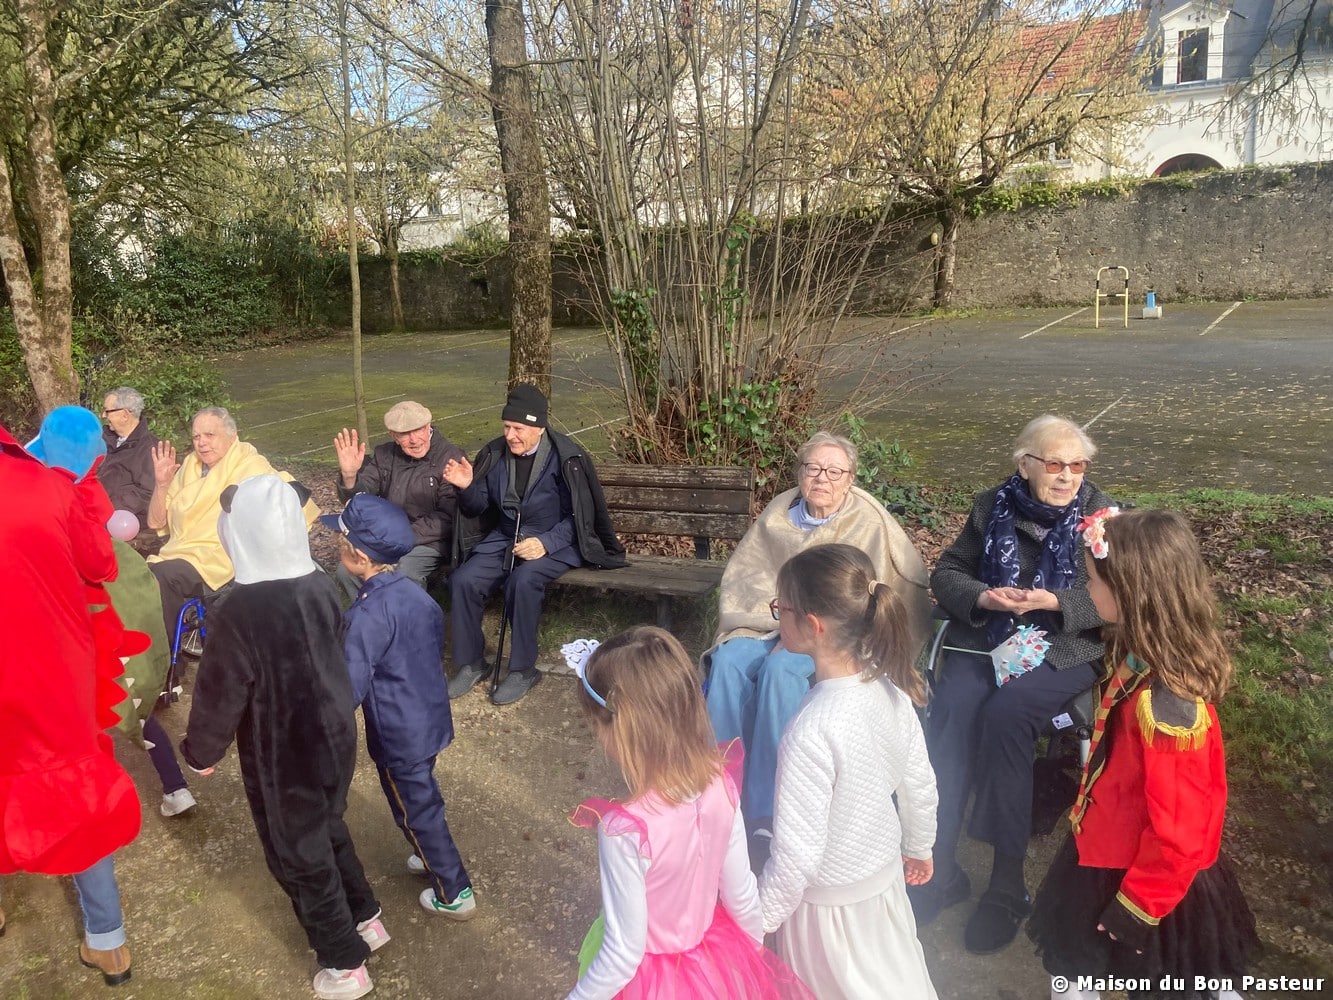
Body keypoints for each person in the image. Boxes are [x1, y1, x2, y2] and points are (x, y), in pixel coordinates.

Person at [1027, 508, 1257, 1000]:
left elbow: (1182, 828)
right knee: (1080, 973)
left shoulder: (1167, 702)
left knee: (1172, 981)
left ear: (1132, 592)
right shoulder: (1142, 658)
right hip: (1110, 844)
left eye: (1093, 581)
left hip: (1147, 879)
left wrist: (1138, 906)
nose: (1087, 590)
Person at [913, 414, 1113, 955]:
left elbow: (1123, 598)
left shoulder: (1103, 518)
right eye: (1055, 464)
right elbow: (948, 573)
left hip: (1063, 647)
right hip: (988, 640)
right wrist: (982, 596)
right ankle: (940, 868)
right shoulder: (991, 505)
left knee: (1007, 714)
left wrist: (1056, 602)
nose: (1067, 476)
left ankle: (1006, 885)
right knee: (954, 708)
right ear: (1025, 465)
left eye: (1077, 465)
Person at [181, 475, 385, 1000]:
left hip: (283, 752)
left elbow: (221, 688)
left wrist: (202, 751)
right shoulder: (319, 584)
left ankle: (344, 962)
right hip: (335, 734)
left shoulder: (238, 610)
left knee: (299, 853)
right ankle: (365, 916)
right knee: (328, 823)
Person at [703, 431, 930, 854]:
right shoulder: (778, 514)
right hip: (768, 616)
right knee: (730, 659)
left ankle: (769, 810)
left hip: (832, 632)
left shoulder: (866, 521)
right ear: (800, 472)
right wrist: (781, 624)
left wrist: (797, 633)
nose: (822, 478)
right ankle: (716, 787)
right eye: (813, 468)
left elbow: (864, 597)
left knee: (781, 668)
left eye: (834, 471)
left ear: (850, 478)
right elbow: (749, 575)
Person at [565, 626, 814, 999]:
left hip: (650, 985)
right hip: (712, 966)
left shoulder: (625, 830)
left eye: (596, 726)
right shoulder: (721, 786)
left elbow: (622, 954)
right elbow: (742, 896)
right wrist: (750, 967)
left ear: (622, 728)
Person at [758, 543, 939, 998]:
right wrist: (920, 845)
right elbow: (918, 780)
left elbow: (796, 856)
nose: (777, 617)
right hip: (882, 879)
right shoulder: (888, 686)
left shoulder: (810, 729)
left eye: (781, 608)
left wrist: (758, 922)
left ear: (812, 626)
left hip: (826, 912)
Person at [0, 418, 141, 986]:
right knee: (76, 782)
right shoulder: (48, 484)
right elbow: (101, 564)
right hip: (55, 667)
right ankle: (108, 941)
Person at [323, 493, 477, 921]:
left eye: (340, 543)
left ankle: (454, 891)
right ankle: (427, 852)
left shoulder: (366, 616)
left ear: (358, 557)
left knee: (415, 809)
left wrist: (322, 720)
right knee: (421, 797)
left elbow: (349, 687)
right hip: (428, 717)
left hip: (397, 732)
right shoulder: (415, 594)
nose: (336, 549)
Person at [444, 384, 625, 706]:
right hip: (505, 537)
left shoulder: (567, 458)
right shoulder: (493, 453)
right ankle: (472, 662)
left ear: (539, 427)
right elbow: (479, 507)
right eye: (506, 427)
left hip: (557, 541)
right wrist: (467, 487)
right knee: (463, 580)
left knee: (523, 580)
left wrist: (546, 542)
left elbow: (580, 517)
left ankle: (523, 669)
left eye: (518, 428)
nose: (510, 435)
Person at [146, 405, 318, 644]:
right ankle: (144, 648)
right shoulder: (189, 467)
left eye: (209, 435)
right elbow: (155, 522)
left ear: (232, 435)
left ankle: (165, 656)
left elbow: (280, 509)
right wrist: (162, 484)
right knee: (140, 576)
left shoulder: (251, 465)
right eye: (196, 437)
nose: (201, 443)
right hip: (180, 550)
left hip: (222, 556)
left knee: (163, 577)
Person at [332, 400, 466, 599]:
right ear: (393, 435)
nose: (414, 440)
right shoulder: (384, 455)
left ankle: (409, 617)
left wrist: (400, 537)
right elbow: (359, 502)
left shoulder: (450, 457)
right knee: (346, 570)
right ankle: (368, 613)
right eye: (405, 434)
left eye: (418, 430)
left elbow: (447, 517)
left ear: (428, 426)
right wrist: (350, 476)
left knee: (403, 572)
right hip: (388, 537)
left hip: (429, 541)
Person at [97, 386, 159, 530]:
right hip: (90, 510)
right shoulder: (101, 439)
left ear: (125, 415)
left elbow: (147, 492)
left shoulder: (150, 449)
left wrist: (106, 507)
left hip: (121, 522)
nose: (103, 415)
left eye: (107, 411)